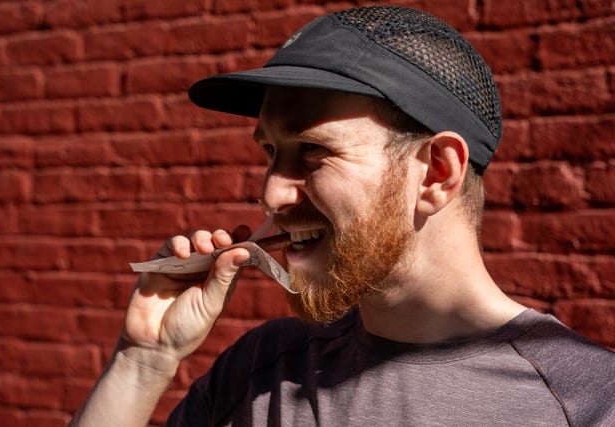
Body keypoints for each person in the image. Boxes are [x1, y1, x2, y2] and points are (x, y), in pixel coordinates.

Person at [70, 6, 615, 426]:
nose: (271, 194)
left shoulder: (587, 402)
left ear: (436, 173)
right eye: (269, 153)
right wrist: (143, 362)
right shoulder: (262, 371)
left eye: (312, 151)